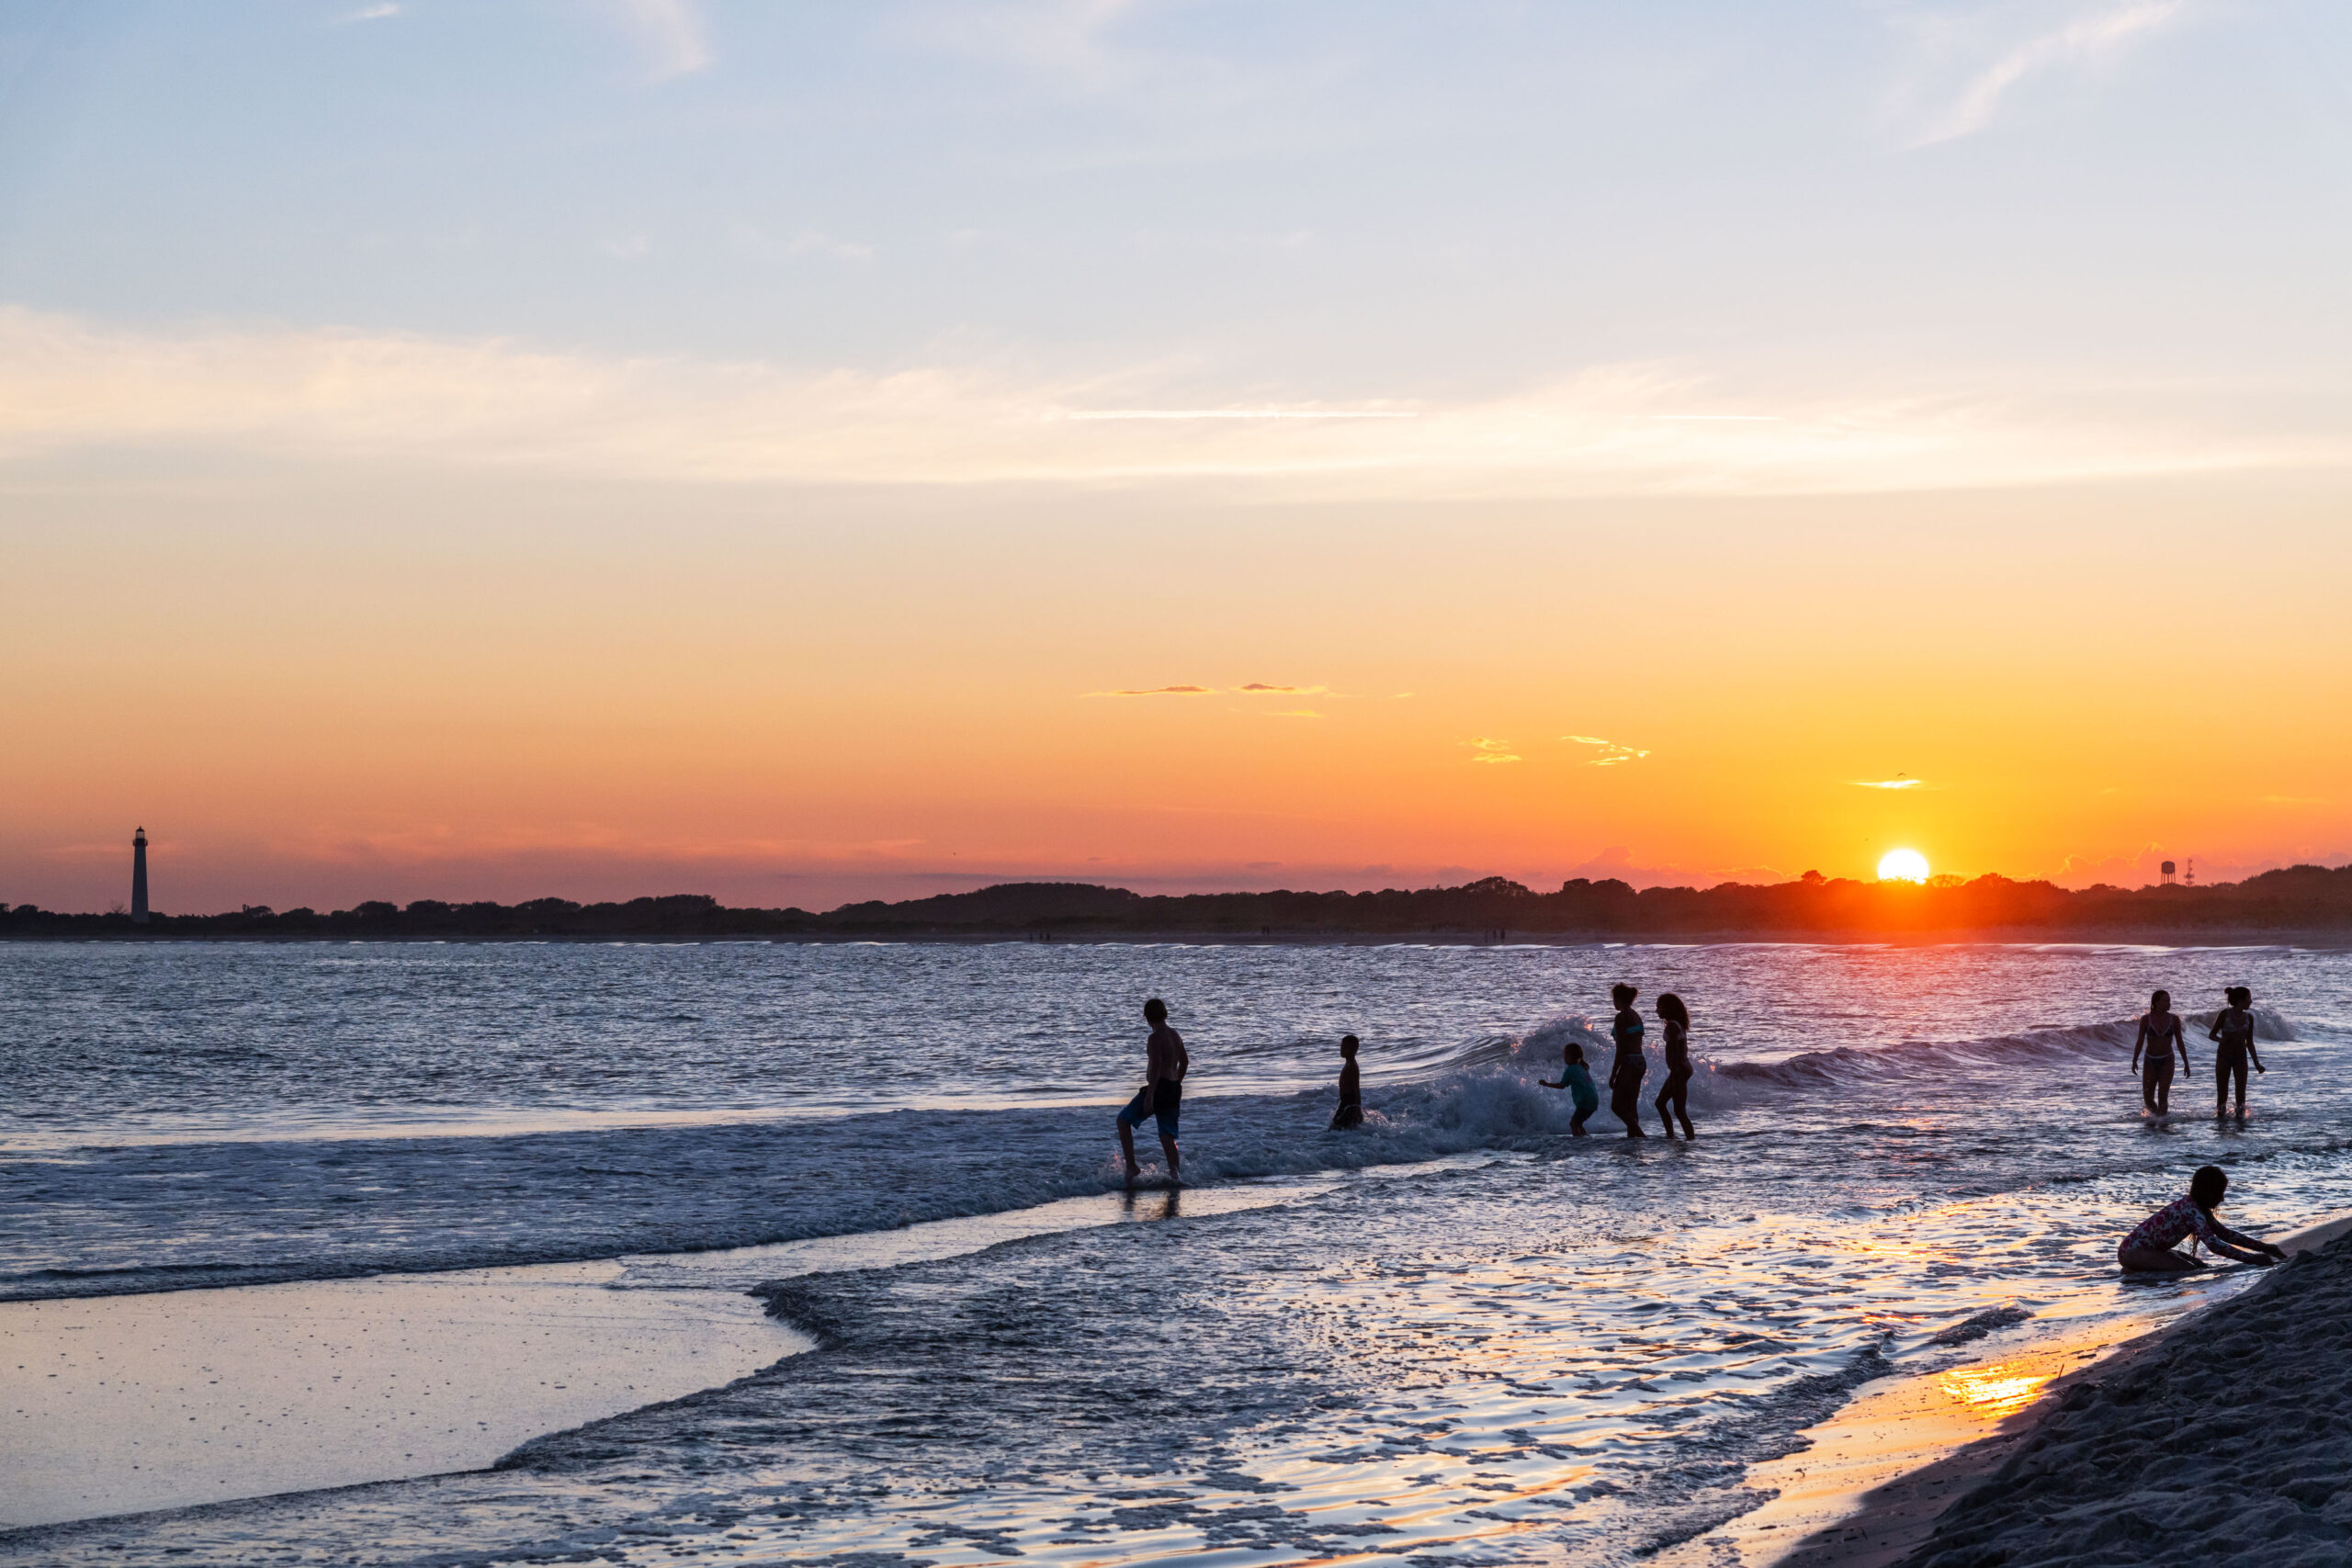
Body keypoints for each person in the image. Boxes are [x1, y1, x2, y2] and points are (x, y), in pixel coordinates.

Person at [2118, 1164, 2285, 1272]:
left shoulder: (2197, 1209)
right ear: (2207, 1192)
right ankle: (2134, 1269)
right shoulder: (2191, 1210)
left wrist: (2264, 1247)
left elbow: (2225, 1235)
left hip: (2148, 1252)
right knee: (2188, 1270)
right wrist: (2252, 1258)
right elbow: (2214, 1245)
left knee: (2201, 1266)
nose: (2222, 1199)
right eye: (2219, 1193)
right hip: (2134, 1253)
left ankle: (2135, 1271)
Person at [1116, 997, 1189, 1186]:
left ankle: (1131, 1166)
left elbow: (1156, 1068)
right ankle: (1176, 1175)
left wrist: (1150, 1097)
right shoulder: (1175, 1035)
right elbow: (1185, 1062)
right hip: (1172, 1088)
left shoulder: (1154, 1038)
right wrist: (1177, 1083)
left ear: (1147, 1018)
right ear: (1164, 1014)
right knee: (1167, 1136)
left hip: (1158, 1089)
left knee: (1123, 1121)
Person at [2208, 986, 2265, 1122]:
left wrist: (2257, 1064)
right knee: (2222, 1095)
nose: (2251, 1001)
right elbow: (2211, 1035)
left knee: (2241, 1095)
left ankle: (2240, 1123)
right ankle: (2220, 1123)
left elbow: (2249, 1042)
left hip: (2241, 1058)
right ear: (2241, 1000)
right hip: (2223, 1057)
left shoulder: (2249, 1018)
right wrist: (2222, 1040)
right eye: (2249, 998)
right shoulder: (2224, 1014)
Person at [2130, 989, 2189, 1116]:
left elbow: (2180, 1042)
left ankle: (2162, 1126)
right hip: (2150, 1060)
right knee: (2148, 1098)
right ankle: (2157, 1119)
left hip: (2167, 1060)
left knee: (2163, 1095)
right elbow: (2140, 1041)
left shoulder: (2174, 1019)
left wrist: (2186, 1063)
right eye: (2165, 1001)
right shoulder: (2146, 1019)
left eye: (2169, 1001)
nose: (2169, 1004)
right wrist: (2135, 1060)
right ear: (2156, 1002)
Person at [1606, 983, 1648, 1138]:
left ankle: (1641, 1136)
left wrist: (1613, 1074)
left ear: (1619, 999)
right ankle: (1634, 1141)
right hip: (1640, 1061)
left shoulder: (1621, 1017)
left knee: (1617, 1106)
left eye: (1614, 999)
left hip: (1629, 1062)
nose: (1613, 1002)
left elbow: (1621, 1049)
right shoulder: (1635, 1015)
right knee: (1631, 1107)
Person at [1653, 993, 1695, 1139]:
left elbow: (1674, 1050)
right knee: (1668, 1106)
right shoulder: (1677, 1024)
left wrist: (1674, 1070)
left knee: (1674, 1109)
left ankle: (1681, 1138)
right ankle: (1675, 1136)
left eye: (1659, 1007)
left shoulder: (1672, 1026)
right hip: (1682, 1068)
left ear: (1667, 1008)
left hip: (1679, 1069)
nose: (1656, 1010)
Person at [1539, 1040, 1600, 1135]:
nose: (1564, 1058)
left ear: (1569, 1057)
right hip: (1593, 1100)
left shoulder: (1571, 1070)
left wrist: (1546, 1084)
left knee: (1573, 1124)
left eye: (1565, 1055)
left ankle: (1577, 1144)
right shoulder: (1582, 1067)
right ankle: (1585, 1141)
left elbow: (1562, 1086)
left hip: (1585, 1101)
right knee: (1578, 1124)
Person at [1329, 1034, 1364, 1130]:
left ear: (1354, 1049)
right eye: (1341, 1047)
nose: (1341, 1049)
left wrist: (1358, 1108)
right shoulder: (1348, 1063)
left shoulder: (1352, 1066)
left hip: (1350, 1102)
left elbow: (1356, 1088)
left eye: (1345, 1047)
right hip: (1345, 1101)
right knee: (1340, 1127)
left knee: (1335, 1127)